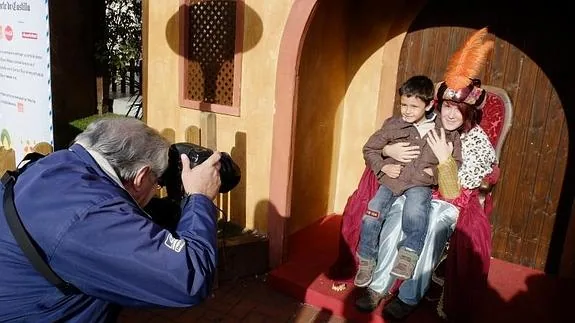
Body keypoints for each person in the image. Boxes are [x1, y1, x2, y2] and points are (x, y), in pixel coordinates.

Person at [0, 117, 222, 322]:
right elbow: (190, 280)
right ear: (141, 177)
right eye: (157, 182)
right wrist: (199, 197)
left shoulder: (60, 166)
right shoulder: (90, 218)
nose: (157, 189)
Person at [354, 28, 498, 321]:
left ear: (469, 112)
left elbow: (455, 192)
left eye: (459, 109)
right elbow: (393, 135)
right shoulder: (429, 123)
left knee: (431, 225)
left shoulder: (477, 141)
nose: (451, 114)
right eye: (447, 106)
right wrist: (387, 152)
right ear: (439, 104)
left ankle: (408, 295)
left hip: (452, 202)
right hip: (415, 189)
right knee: (394, 216)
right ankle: (379, 286)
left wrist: (446, 160)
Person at [355, 75, 462, 287]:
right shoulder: (394, 125)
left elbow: (455, 163)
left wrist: (435, 171)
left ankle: (408, 255)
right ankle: (366, 259)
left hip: (420, 184)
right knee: (372, 213)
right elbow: (370, 149)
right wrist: (384, 165)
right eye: (403, 104)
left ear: (430, 104)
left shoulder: (445, 131)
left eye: (414, 106)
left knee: (416, 212)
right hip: (392, 181)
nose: (407, 110)